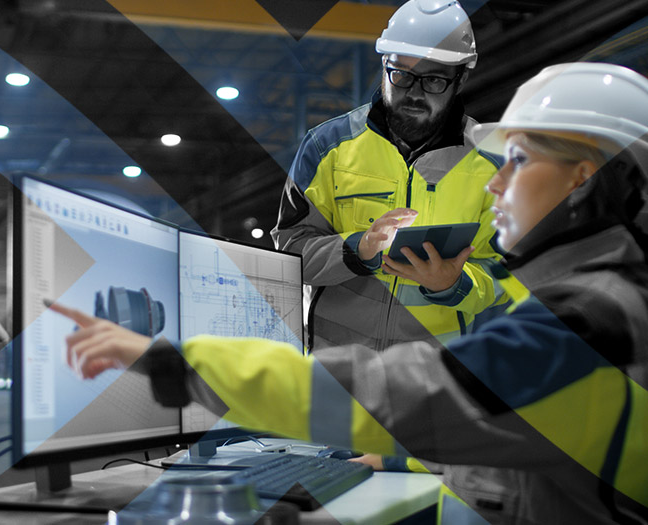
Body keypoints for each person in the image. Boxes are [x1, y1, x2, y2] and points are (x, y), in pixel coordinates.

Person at [50, 62, 648, 524]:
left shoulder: (592, 319)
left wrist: (179, 362)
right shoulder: (602, 299)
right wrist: (405, 461)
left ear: (582, 178)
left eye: (517, 160)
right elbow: (525, 435)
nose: (494, 181)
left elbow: (403, 391)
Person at [271, 0, 505, 352]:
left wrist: (454, 283)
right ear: (384, 65)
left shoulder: (493, 163)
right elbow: (289, 254)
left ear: (461, 79)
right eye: (402, 74)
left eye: (434, 80)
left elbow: (508, 274)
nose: (414, 91)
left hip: (430, 378)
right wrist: (357, 250)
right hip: (335, 368)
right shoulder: (326, 147)